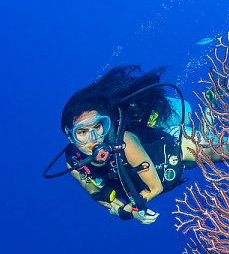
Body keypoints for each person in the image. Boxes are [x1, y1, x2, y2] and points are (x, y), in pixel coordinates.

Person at [59, 66, 200, 224]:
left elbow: (155, 188)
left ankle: (202, 115)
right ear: (70, 137)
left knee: (227, 150)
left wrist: (130, 210)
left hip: (176, 147)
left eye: (97, 128)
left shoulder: (124, 142)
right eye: (82, 132)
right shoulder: (74, 163)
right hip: (167, 173)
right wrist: (122, 210)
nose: (93, 138)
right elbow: (97, 193)